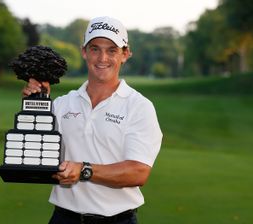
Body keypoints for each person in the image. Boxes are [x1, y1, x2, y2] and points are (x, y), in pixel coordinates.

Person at [23, 16, 163, 224]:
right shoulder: (62, 104)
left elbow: (138, 172)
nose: (102, 58)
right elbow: (35, 152)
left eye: (112, 50)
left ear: (125, 54)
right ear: (84, 52)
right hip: (64, 218)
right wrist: (36, 104)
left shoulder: (139, 106)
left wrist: (84, 170)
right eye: (95, 48)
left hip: (117, 220)